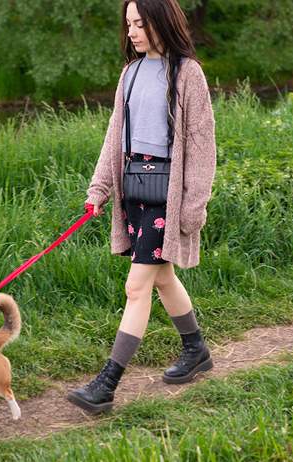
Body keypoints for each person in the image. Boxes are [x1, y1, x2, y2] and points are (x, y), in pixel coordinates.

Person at [67, 0, 216, 414]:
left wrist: (193, 206)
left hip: (167, 195)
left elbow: (203, 145)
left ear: (161, 22)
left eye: (140, 23)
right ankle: (196, 349)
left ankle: (106, 385)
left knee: (137, 286)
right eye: (128, 24)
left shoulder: (187, 73)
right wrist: (98, 190)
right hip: (133, 189)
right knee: (162, 277)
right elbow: (115, 136)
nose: (131, 31)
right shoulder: (129, 74)